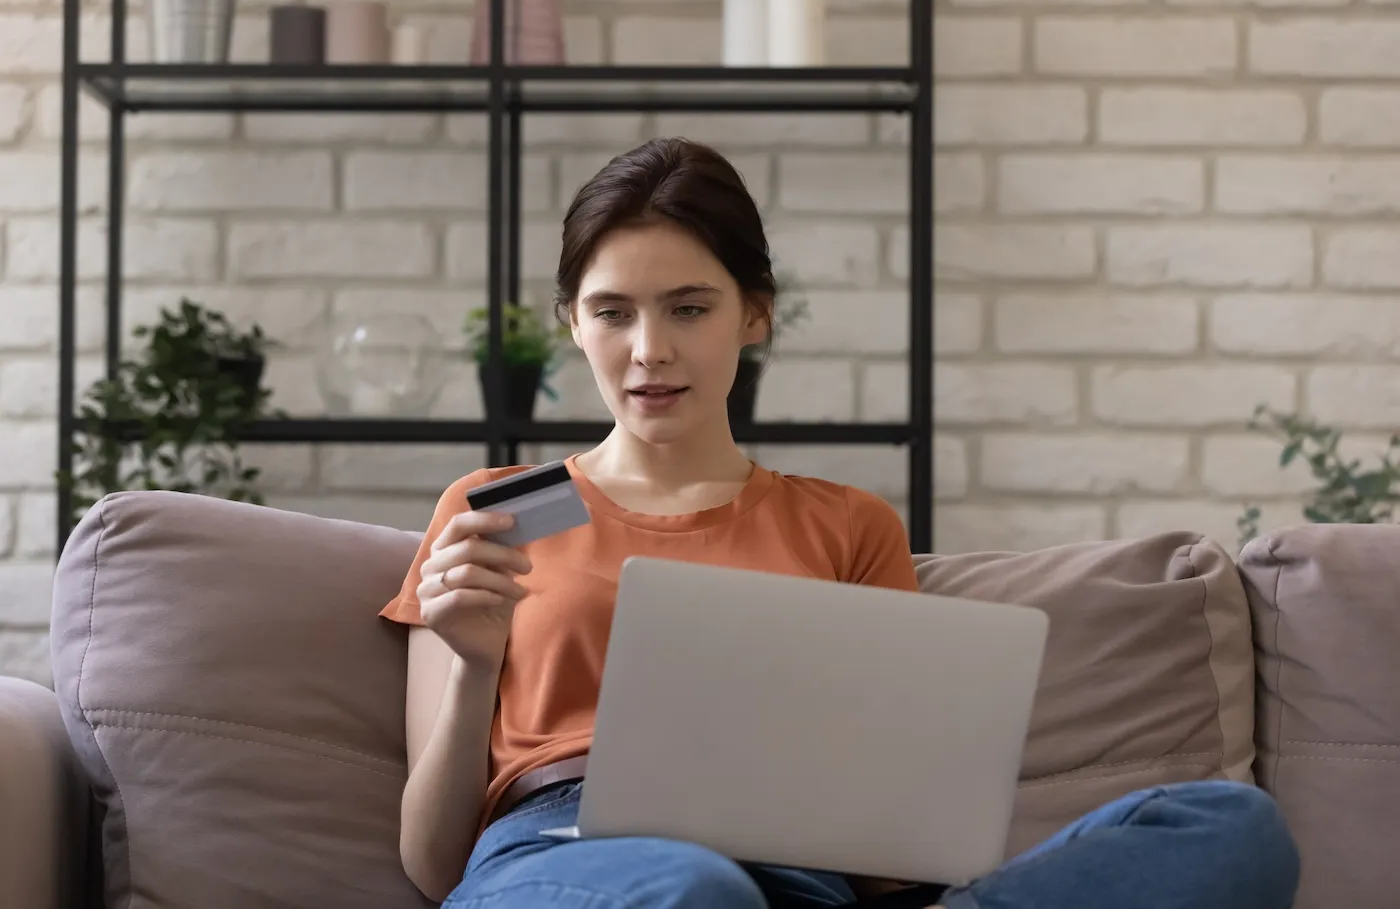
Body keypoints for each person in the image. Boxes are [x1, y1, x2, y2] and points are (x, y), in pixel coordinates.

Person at [377, 137, 1301, 909]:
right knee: (694, 887)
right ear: (573, 323)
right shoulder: (486, 513)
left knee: (1228, 826)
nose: (649, 349)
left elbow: (891, 853)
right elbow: (431, 863)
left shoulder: (849, 525)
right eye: (612, 313)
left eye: (689, 309)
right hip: (562, 854)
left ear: (754, 316)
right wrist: (473, 662)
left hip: (800, 873)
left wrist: (905, 821)